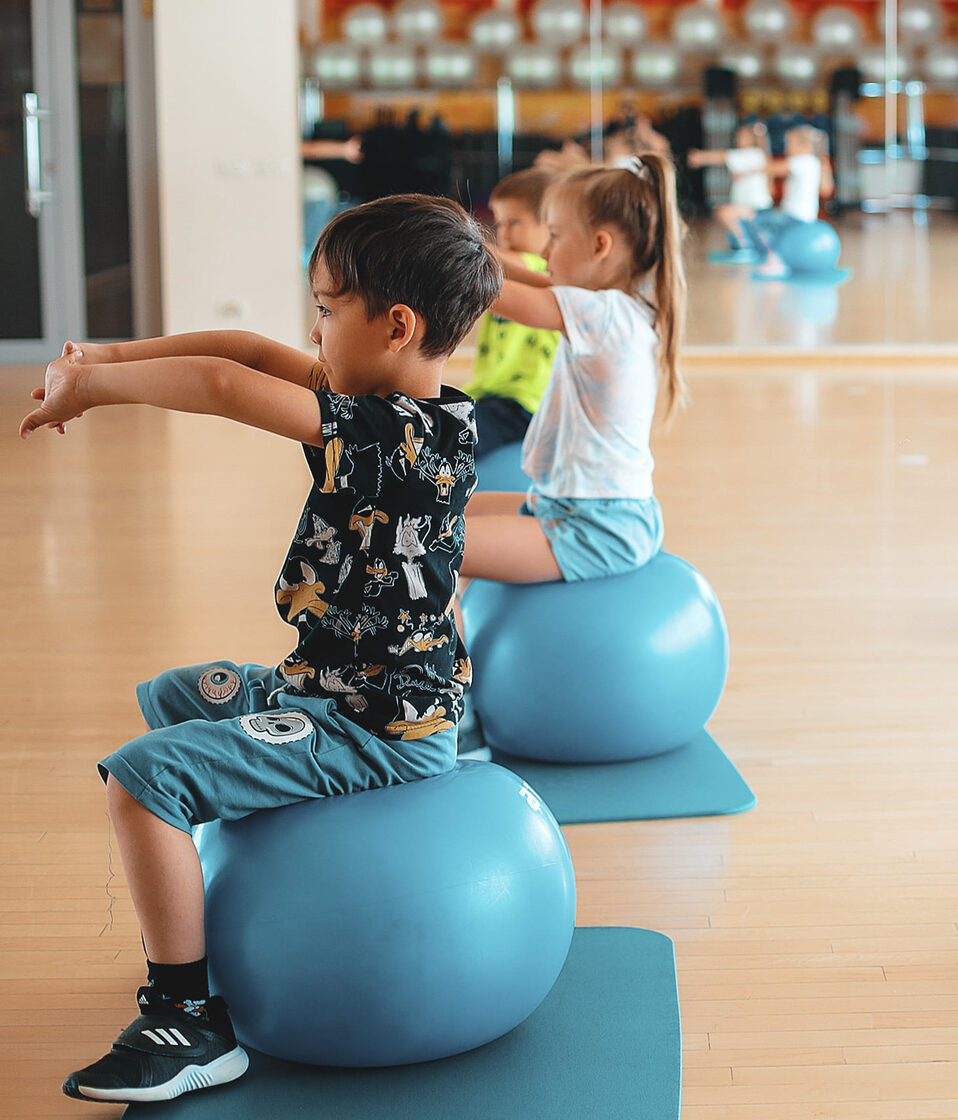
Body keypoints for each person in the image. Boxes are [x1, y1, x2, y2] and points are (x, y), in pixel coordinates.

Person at [22, 194, 500, 1103]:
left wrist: (95, 391)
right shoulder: (378, 396)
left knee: (142, 779)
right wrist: (104, 355)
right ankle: (216, 924)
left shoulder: (404, 436)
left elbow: (225, 389)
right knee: (174, 696)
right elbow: (239, 354)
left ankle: (188, 1016)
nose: (312, 334)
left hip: (376, 728)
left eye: (325, 310)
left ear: (396, 325)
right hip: (326, 684)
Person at [463, 152, 686, 592]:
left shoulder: (597, 314)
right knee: (449, 510)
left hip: (599, 529)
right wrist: (467, 245)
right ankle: (456, 651)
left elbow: (488, 288)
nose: (542, 252)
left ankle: (433, 663)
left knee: (422, 543)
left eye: (555, 237)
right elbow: (525, 274)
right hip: (581, 508)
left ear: (600, 246)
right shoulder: (621, 308)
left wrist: (436, 249)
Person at [464, 167, 560, 458]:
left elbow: (493, 258)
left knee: (452, 441)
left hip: (526, 405)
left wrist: (455, 240)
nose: (503, 234)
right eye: (499, 223)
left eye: (514, 223)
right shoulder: (511, 269)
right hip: (490, 395)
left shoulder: (542, 269)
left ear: (551, 226)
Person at [751, 124, 834, 278]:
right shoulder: (813, 163)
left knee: (759, 220)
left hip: (794, 217)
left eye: (790, 144)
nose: (786, 148)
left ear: (806, 146)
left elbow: (771, 168)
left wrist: (762, 143)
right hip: (806, 217)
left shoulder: (803, 160)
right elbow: (826, 190)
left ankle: (776, 260)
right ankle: (776, 258)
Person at [688, 120, 774, 257]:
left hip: (757, 209)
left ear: (752, 139)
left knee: (722, 213)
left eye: (741, 137)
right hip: (751, 207)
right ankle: (744, 244)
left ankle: (745, 246)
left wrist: (700, 157)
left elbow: (722, 156)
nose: (737, 139)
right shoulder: (754, 155)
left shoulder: (751, 154)